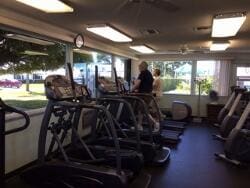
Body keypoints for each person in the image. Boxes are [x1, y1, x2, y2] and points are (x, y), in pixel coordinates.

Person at [131, 61, 160, 132]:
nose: (138, 68)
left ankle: (155, 123)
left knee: (143, 111)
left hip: (144, 95)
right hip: (147, 94)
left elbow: (137, 84)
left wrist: (131, 90)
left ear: (142, 67)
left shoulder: (143, 73)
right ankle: (139, 126)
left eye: (139, 67)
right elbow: (147, 85)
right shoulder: (149, 73)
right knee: (141, 111)